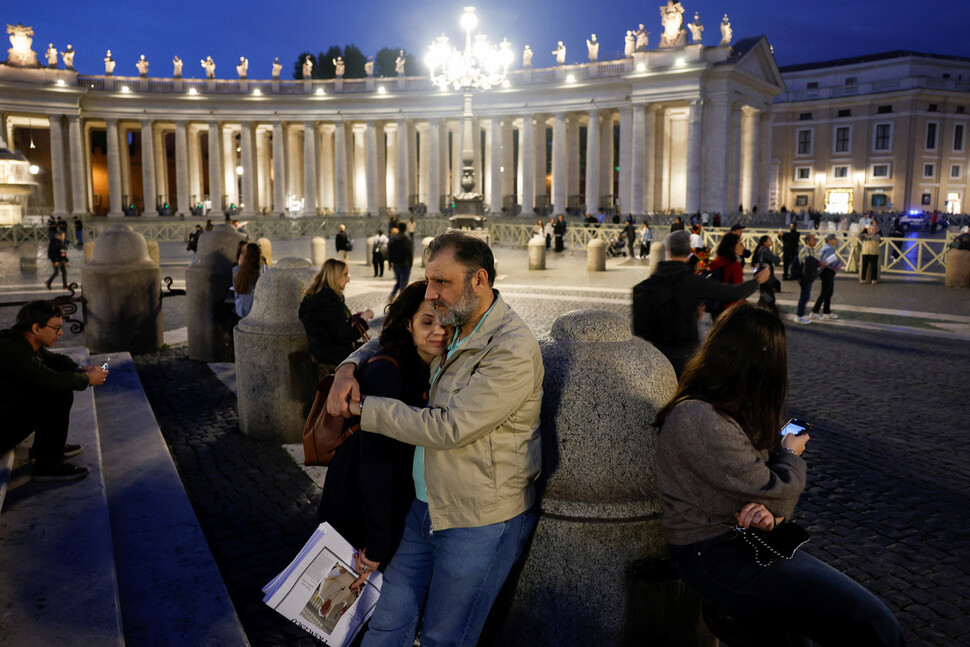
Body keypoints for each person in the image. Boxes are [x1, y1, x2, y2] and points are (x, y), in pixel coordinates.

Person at [325, 232, 542, 647]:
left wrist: (363, 408)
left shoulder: (510, 348)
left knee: (446, 637)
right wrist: (347, 367)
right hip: (423, 508)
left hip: (478, 520)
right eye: (430, 280)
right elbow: (391, 337)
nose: (432, 292)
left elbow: (449, 428)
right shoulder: (456, 319)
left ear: (479, 280)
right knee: (387, 625)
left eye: (441, 281)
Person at [655, 303, 906, 647]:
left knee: (849, 624)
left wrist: (767, 512)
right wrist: (789, 454)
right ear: (760, 361)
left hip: (747, 539)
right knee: (874, 622)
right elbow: (778, 492)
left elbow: (764, 499)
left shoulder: (727, 407)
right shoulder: (700, 417)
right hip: (715, 557)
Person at [317, 281, 449, 597]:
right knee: (340, 602)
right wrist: (377, 542)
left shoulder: (429, 365)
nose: (438, 331)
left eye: (445, 322)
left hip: (388, 505)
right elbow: (376, 463)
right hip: (361, 504)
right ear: (408, 324)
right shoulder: (387, 371)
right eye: (427, 322)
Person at [632, 230, 769, 377]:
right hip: (685, 352)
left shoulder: (648, 284)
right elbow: (731, 293)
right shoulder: (694, 282)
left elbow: (640, 326)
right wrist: (757, 281)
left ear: (669, 250)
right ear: (689, 251)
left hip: (656, 351)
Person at [0, 301, 108, 482]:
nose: (61, 333)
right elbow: (55, 381)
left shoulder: (18, 340)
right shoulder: (12, 351)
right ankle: (47, 464)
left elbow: (56, 359)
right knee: (57, 393)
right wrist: (88, 379)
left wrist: (81, 369)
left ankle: (46, 449)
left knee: (53, 387)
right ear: (36, 328)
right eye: (56, 328)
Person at [299, 259, 374, 376]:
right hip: (331, 352)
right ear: (335, 276)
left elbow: (331, 325)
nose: (348, 279)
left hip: (321, 350)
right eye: (345, 275)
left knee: (372, 349)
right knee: (374, 356)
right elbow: (346, 336)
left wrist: (353, 318)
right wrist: (363, 318)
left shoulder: (315, 298)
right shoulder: (328, 301)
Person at [705, 232, 745, 321]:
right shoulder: (734, 265)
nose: (743, 247)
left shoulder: (716, 262)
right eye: (740, 244)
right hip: (730, 310)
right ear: (732, 247)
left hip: (715, 307)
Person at [811, 233, 843, 321]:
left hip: (825, 271)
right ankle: (814, 312)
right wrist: (836, 264)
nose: (836, 240)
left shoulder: (826, 247)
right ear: (830, 240)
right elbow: (827, 261)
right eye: (834, 239)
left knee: (829, 291)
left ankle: (827, 312)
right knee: (825, 292)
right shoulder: (828, 249)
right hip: (827, 271)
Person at [232, 243, 266, 318]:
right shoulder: (264, 270)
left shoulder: (236, 270)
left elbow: (236, 293)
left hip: (242, 310)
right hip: (259, 310)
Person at [793, 232, 820, 324]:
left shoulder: (810, 250)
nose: (815, 241)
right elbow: (808, 263)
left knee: (805, 295)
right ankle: (799, 316)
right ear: (807, 241)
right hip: (804, 277)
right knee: (804, 296)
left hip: (806, 276)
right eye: (813, 239)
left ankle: (800, 314)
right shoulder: (806, 250)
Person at [751, 235, 782, 314]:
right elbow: (776, 261)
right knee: (770, 301)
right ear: (765, 242)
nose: (771, 241)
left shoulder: (759, 250)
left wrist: (755, 272)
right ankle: (775, 319)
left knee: (764, 300)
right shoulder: (765, 251)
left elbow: (755, 267)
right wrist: (778, 257)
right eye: (769, 239)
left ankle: (756, 315)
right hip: (767, 281)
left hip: (763, 281)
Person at [386, 225, 414, 303]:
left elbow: (389, 252)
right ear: (405, 229)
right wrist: (411, 265)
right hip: (405, 264)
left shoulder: (393, 238)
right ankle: (402, 301)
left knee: (398, 282)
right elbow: (410, 253)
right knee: (404, 283)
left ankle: (392, 295)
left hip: (396, 264)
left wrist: (389, 263)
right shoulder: (407, 239)